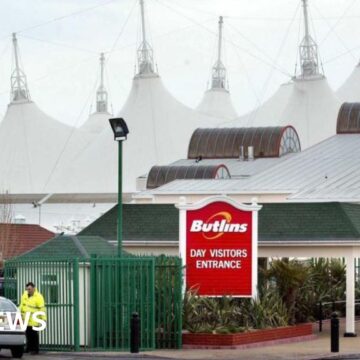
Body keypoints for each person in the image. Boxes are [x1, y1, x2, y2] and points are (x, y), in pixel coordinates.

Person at [19, 282, 46, 355]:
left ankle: (35, 350)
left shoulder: (38, 296)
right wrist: (19, 313)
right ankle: (28, 348)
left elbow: (42, 308)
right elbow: (22, 305)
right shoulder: (24, 295)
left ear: (34, 288)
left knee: (34, 335)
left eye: (30, 289)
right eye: (27, 289)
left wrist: (43, 319)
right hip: (26, 319)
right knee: (28, 334)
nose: (28, 290)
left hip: (34, 319)